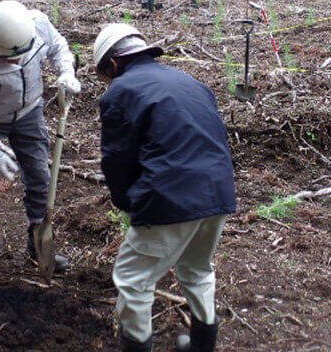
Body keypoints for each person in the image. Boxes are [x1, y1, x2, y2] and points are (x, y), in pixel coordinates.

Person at [92, 23, 237, 352]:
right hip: (219, 191)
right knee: (197, 268)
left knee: (133, 280)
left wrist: (128, 204)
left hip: (170, 196)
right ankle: (202, 347)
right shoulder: (188, 80)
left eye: (106, 75)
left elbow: (118, 160)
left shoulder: (121, 92)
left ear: (113, 65)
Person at [0, 0, 81, 286]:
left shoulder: (38, 25)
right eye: (9, 59)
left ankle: (37, 246)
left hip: (28, 112)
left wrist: (66, 71)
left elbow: (59, 47)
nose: (17, 62)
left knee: (39, 176)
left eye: (22, 55)